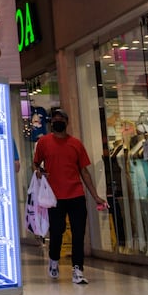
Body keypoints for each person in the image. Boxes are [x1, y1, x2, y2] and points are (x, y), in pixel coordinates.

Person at [32, 106, 103, 285]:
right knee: (57, 231)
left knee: (79, 233)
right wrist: (39, 171)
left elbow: (84, 172)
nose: (58, 122)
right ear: (51, 123)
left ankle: (78, 269)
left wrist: (95, 196)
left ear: (67, 122)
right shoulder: (44, 143)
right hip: (54, 197)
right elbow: (35, 163)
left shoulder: (76, 144)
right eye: (55, 119)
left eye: (61, 119)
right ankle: (54, 259)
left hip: (76, 195)